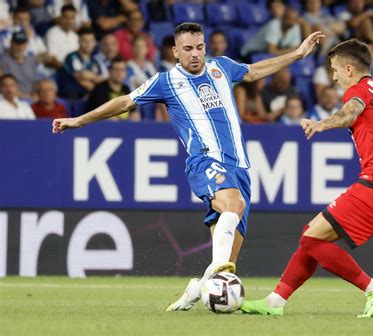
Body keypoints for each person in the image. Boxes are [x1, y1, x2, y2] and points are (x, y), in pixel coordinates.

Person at [51, 22, 325, 312]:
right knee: (234, 205)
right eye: (188, 49)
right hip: (204, 160)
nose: (195, 54)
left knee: (225, 263)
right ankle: (215, 274)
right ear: (175, 52)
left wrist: (296, 54)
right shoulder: (166, 81)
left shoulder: (221, 67)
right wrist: (78, 120)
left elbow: (255, 70)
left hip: (239, 167)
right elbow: (124, 102)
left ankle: (198, 288)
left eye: (199, 47)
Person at [240, 38, 373, 318]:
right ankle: (275, 302)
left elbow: (350, 113)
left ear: (349, 69)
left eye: (334, 69)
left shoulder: (358, 92)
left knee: (311, 239)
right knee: (311, 236)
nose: (332, 76)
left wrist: (322, 124)